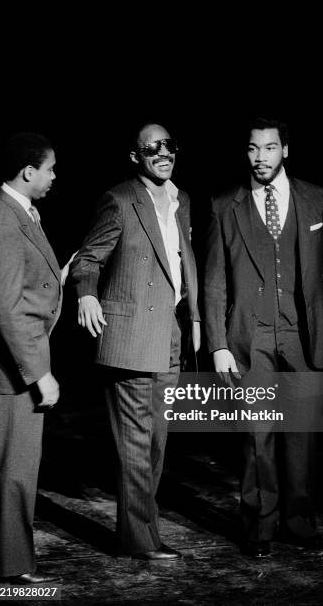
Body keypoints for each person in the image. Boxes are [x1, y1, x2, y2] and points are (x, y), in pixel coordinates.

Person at [204, 117, 323, 557]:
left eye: (269, 148)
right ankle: (260, 529)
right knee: (257, 435)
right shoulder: (224, 204)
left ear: (286, 149)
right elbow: (214, 281)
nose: (261, 156)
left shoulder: (315, 197)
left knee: (301, 435)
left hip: (303, 334)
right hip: (251, 336)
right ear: (245, 152)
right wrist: (219, 344)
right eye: (253, 148)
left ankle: (300, 524)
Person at [70, 122, 200, 560]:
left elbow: (181, 268)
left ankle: (141, 536)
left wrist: (195, 318)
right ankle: (139, 541)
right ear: (135, 156)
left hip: (168, 336)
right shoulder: (120, 200)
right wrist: (87, 293)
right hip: (129, 338)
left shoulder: (182, 201)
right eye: (151, 148)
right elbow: (89, 257)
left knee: (156, 447)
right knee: (136, 448)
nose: (162, 154)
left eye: (169, 146)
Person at [0, 132, 62, 583]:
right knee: (13, 471)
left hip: (20, 362)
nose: (54, 176)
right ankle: (12, 570)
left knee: (15, 469)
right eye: (50, 168)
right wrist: (39, 374)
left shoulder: (20, 213)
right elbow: (4, 305)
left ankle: (8, 562)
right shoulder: (3, 217)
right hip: (14, 371)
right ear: (29, 171)